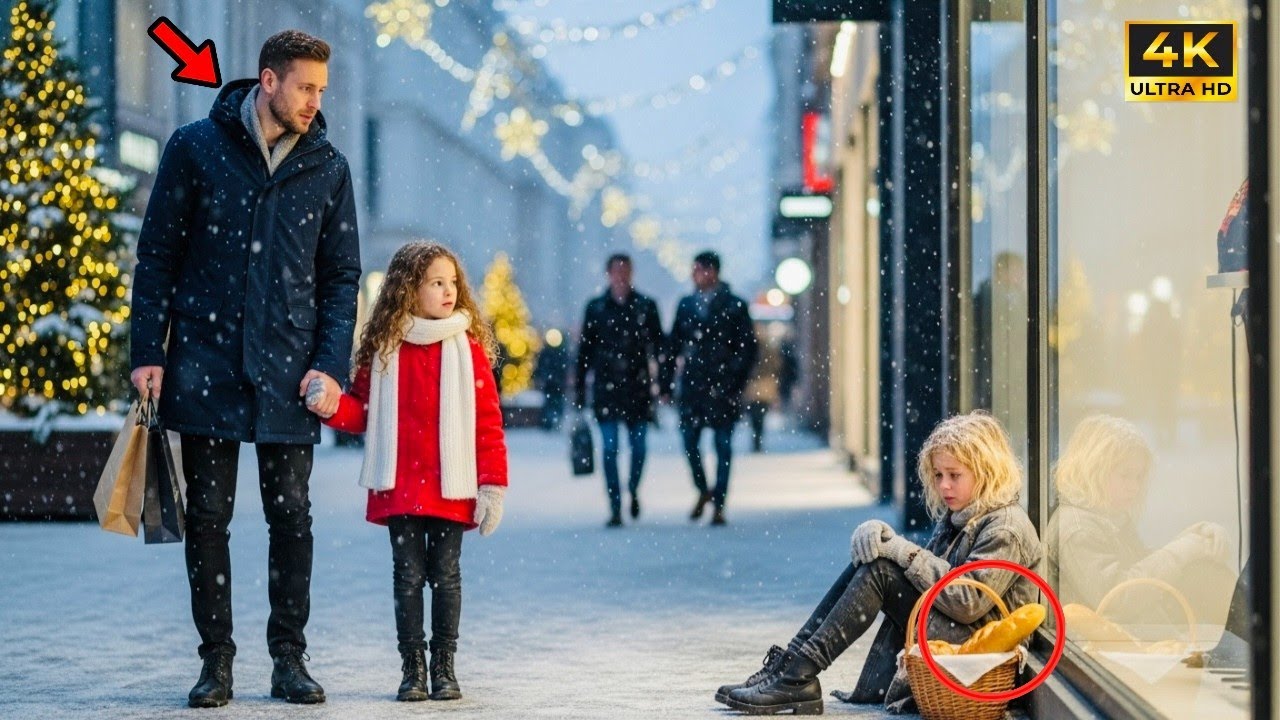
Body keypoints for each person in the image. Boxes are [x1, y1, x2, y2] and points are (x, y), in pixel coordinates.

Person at [129, 30, 360, 708]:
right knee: (208, 517)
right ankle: (217, 662)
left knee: (292, 517)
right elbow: (157, 256)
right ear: (268, 81)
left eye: (322, 89)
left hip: (291, 370)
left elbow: (341, 276)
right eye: (305, 87)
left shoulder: (328, 167)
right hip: (207, 360)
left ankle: (289, 658)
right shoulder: (196, 148)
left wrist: (330, 366)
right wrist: (148, 351)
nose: (316, 101)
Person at [716, 411, 1042, 715]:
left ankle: (797, 676)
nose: (944, 485)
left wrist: (901, 551)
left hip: (979, 655)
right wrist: (885, 540)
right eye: (938, 475)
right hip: (959, 634)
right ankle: (791, 667)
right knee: (875, 561)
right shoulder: (962, 516)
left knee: (881, 571)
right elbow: (926, 576)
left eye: (954, 475)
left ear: (986, 472)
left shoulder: (1005, 527)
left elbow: (968, 601)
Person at [311, 242, 508, 702]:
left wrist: (493, 486)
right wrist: (331, 405)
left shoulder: (468, 348)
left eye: (452, 282)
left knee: (447, 575)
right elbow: (362, 413)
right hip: (400, 483)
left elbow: (487, 423)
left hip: (452, 484)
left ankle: (444, 665)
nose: (448, 291)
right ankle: (413, 667)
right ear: (408, 288)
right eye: (436, 283)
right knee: (407, 575)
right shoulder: (386, 348)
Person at [1044, 415, 1235, 628]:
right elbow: (1118, 599)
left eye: (1139, 477)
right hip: (1100, 640)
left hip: (1132, 631)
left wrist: (1196, 539)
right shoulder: (1077, 529)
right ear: (1093, 471)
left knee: (1204, 573)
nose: (1134, 487)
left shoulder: (1107, 516)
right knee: (1207, 580)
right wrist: (1182, 551)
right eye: (1125, 476)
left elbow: (1141, 567)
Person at [662, 251, 756, 526]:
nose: (696, 276)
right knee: (690, 442)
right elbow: (673, 346)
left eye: (700, 270)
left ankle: (719, 504)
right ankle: (704, 489)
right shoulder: (686, 305)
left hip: (723, 387)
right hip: (694, 386)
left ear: (713, 272)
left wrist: (734, 379)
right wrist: (667, 383)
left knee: (723, 446)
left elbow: (747, 347)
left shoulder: (734, 305)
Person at [575, 254, 664, 527]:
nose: (621, 276)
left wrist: (663, 382)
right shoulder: (596, 308)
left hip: (637, 389)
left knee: (638, 449)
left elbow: (659, 346)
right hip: (608, 390)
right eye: (617, 271)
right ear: (609, 274)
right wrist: (580, 388)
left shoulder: (645, 306)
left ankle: (632, 489)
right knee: (610, 448)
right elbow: (585, 352)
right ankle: (615, 504)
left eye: (625, 271)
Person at [744, 322, 783, 453]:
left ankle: (756, 438)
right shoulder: (767, 348)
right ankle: (757, 438)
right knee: (759, 414)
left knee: (755, 414)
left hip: (756, 385)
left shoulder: (751, 347)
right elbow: (777, 365)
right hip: (764, 385)